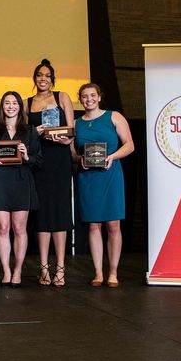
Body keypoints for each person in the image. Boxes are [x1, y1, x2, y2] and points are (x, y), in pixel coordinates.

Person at [72, 83, 134, 287]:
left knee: (113, 225)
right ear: (80, 99)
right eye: (84, 96)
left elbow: (130, 145)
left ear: (99, 97)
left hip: (110, 174)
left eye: (92, 95)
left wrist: (112, 157)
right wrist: (79, 158)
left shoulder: (114, 116)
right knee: (93, 225)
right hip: (88, 178)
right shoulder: (76, 123)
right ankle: (98, 272)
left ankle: (113, 272)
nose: (88, 99)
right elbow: (73, 152)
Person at [26, 58, 74, 287]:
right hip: (39, 162)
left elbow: (72, 129)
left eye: (47, 75)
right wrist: (35, 132)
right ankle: (44, 267)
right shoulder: (27, 103)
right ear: (34, 79)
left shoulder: (62, 97)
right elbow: (25, 136)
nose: (43, 79)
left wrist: (68, 139)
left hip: (60, 160)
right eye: (39, 75)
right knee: (42, 214)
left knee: (60, 212)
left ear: (52, 79)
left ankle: (61, 267)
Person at [0, 91, 41, 288]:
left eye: (14, 103)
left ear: (20, 106)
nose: (11, 106)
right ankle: (6, 270)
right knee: (2, 228)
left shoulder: (30, 131)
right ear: (2, 107)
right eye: (7, 103)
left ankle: (18, 270)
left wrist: (27, 156)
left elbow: (38, 161)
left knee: (19, 228)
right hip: (1, 181)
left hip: (21, 180)